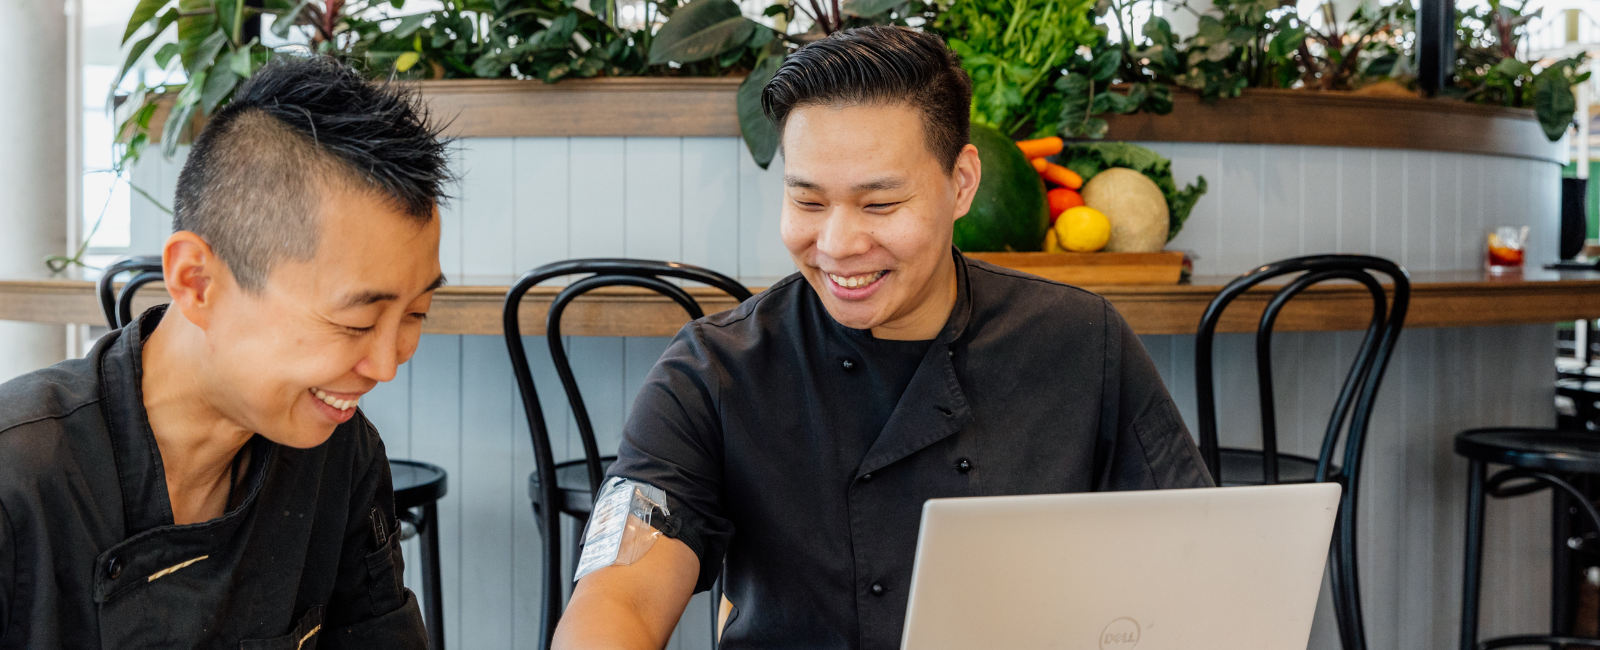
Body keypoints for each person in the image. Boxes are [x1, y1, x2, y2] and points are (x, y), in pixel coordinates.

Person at [554, 25, 1212, 650]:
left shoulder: (1078, 342)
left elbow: (1194, 560)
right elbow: (622, 597)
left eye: (879, 204)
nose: (838, 245)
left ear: (961, 183)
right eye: (808, 202)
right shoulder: (714, 369)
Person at [0, 56, 449, 649]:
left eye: (416, 313)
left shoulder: (340, 456)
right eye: (356, 321)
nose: (387, 365)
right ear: (197, 282)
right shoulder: (20, 477)